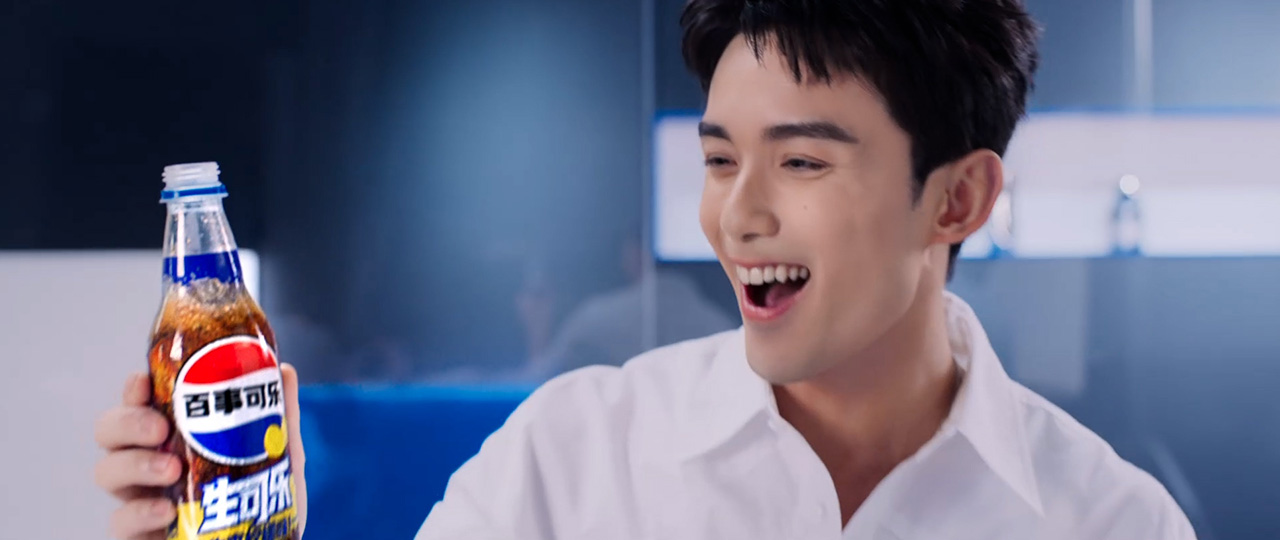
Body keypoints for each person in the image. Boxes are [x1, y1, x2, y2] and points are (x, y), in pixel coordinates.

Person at [95, 0, 1198, 538]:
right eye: (719, 160)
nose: (737, 215)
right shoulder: (570, 460)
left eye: (801, 161)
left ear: (956, 199)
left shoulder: (1109, 521)